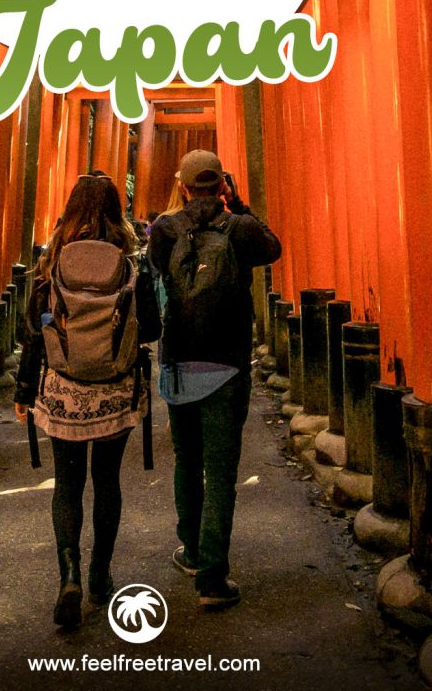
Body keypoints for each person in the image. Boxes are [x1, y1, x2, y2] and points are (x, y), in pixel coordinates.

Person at [14, 175, 160, 629]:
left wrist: (23, 391)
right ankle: (100, 576)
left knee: (68, 484)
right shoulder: (134, 261)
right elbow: (152, 328)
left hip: (63, 388)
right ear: (118, 208)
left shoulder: (51, 261)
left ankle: (69, 575)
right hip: (115, 388)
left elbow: (31, 333)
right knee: (108, 480)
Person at [149, 149, 281, 611]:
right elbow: (273, 248)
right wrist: (239, 204)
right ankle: (212, 576)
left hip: (179, 359)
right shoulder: (240, 228)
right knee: (221, 471)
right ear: (221, 185)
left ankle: (190, 550)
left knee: (187, 460)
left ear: (183, 185)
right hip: (227, 361)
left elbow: (157, 281)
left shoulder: (164, 229)